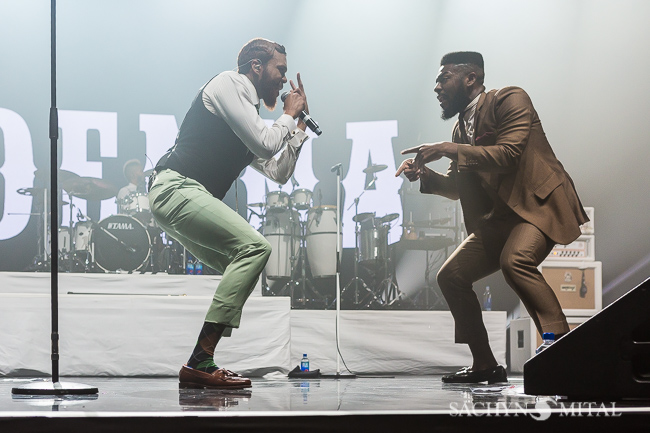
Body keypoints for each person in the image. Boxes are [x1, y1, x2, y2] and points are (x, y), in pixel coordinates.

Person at [396, 51, 589, 384]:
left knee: (515, 261)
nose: (436, 87)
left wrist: (446, 149)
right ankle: (484, 364)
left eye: (443, 78)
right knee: (451, 276)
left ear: (470, 78)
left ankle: (563, 347)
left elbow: (509, 154)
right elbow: (458, 186)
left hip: (536, 204)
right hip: (501, 217)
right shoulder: (459, 130)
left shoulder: (509, 99)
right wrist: (424, 176)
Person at [148, 38, 310, 389]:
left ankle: (200, 362)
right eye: (279, 69)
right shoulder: (229, 84)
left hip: (178, 194)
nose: (283, 80)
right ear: (256, 67)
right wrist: (289, 113)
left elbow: (277, 171)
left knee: (239, 266)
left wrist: (297, 132)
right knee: (255, 249)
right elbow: (267, 142)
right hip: (175, 187)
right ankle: (199, 360)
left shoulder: (245, 117)